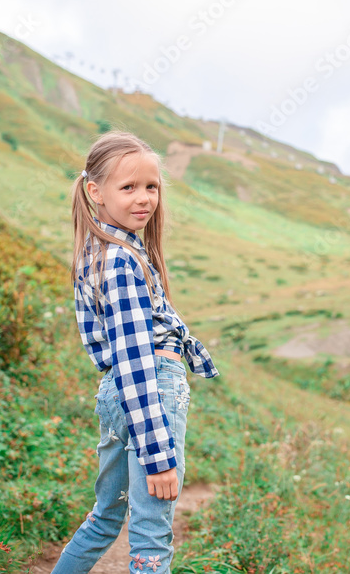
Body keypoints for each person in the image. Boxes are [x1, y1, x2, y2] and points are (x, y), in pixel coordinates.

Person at [50, 130, 220, 574]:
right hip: (150, 395)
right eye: (128, 187)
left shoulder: (96, 250)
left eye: (151, 186)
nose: (144, 199)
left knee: (105, 517)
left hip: (117, 395)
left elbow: (111, 356)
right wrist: (159, 457)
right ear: (95, 191)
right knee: (150, 537)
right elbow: (135, 360)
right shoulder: (123, 260)